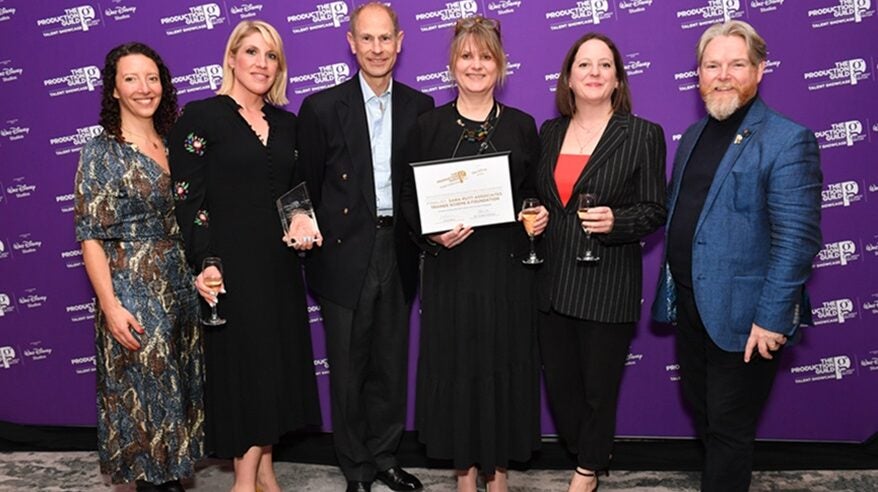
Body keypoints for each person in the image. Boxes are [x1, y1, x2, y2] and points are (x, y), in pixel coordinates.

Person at [652, 20, 822, 492]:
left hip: (746, 321)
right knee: (707, 417)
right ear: (699, 74)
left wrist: (770, 319)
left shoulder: (788, 140)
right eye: (712, 65)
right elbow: (680, 213)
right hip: (691, 310)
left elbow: (797, 240)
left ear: (760, 69)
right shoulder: (692, 136)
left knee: (728, 432)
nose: (723, 75)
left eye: (736, 64)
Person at [168, 20, 321, 492]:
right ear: (232, 57)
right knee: (248, 373)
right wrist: (206, 261)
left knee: (273, 367)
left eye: (271, 55)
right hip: (230, 267)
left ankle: (266, 473)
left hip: (278, 267)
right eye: (251, 52)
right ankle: (245, 483)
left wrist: (301, 219)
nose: (261, 63)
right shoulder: (201, 117)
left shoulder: (287, 122)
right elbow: (188, 200)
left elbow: (294, 192)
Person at [400, 16, 545, 492]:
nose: (476, 65)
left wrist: (537, 218)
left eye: (485, 56)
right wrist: (431, 234)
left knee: (504, 365)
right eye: (466, 56)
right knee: (458, 368)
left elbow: (534, 195)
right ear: (451, 64)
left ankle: (499, 472)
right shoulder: (428, 126)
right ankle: (464, 472)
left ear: (500, 65)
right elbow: (408, 200)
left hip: (506, 271)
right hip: (451, 271)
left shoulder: (523, 126)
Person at [295, 4, 433, 492]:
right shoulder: (321, 108)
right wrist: (299, 219)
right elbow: (303, 187)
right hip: (341, 253)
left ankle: (385, 457)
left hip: (398, 248)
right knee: (349, 367)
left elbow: (426, 187)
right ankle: (355, 468)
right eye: (366, 39)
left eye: (385, 39)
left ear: (400, 42)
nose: (377, 49)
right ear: (351, 43)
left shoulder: (422, 107)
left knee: (390, 364)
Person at [536, 33, 667, 492]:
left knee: (598, 390)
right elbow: (543, 198)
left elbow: (654, 209)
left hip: (606, 282)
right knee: (563, 392)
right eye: (584, 65)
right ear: (568, 78)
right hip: (551, 284)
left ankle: (586, 472)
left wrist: (617, 221)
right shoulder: (549, 133)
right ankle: (590, 450)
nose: (594, 72)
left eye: (605, 65)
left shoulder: (642, 134)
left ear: (617, 80)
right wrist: (532, 214)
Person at [74, 42, 203, 492]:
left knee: (176, 399)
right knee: (146, 408)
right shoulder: (102, 152)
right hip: (132, 291)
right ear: (114, 90)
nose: (144, 88)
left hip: (180, 288)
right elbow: (90, 235)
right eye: (131, 79)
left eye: (152, 78)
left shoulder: (174, 143)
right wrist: (110, 306)